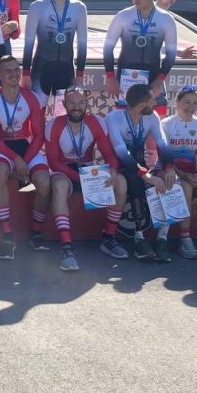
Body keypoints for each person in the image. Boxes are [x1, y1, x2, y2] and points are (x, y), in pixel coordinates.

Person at [45, 86, 129, 270]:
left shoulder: (97, 122)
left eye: (81, 102)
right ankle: (67, 246)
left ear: (87, 104)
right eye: (72, 103)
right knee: (58, 185)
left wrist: (113, 170)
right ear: (64, 104)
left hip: (88, 168)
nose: (77, 107)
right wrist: (78, 177)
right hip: (65, 170)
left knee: (121, 182)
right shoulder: (53, 124)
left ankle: (109, 238)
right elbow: (53, 162)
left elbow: (109, 155)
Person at [0, 55, 50, 260]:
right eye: (8, 71)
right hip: (2, 147)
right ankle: (7, 234)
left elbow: (39, 135)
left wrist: (26, 160)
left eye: (16, 70)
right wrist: (16, 159)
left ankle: (36, 232)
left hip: (25, 146)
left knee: (44, 182)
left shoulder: (31, 97)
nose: (14, 74)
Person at [105, 83, 178, 262]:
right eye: (152, 101)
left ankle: (162, 239)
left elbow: (163, 144)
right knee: (135, 181)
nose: (155, 104)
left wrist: (168, 168)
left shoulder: (151, 116)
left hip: (142, 164)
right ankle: (139, 238)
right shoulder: (113, 118)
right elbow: (121, 152)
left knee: (170, 180)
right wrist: (146, 176)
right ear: (141, 105)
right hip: (122, 166)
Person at [103, 0, 178, 114]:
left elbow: (171, 54)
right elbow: (108, 49)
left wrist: (160, 79)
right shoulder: (123, 16)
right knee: (126, 121)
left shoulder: (166, 19)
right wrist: (110, 77)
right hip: (126, 77)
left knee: (156, 121)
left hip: (153, 76)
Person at [22, 0, 89, 107]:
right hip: (41, 69)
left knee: (64, 118)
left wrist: (80, 76)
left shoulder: (79, 8)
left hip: (66, 70)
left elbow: (82, 44)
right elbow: (29, 42)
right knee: (36, 116)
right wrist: (25, 74)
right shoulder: (37, 6)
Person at [160, 85, 197, 260]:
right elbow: (164, 157)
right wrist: (182, 175)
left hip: (193, 171)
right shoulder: (166, 124)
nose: (190, 107)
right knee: (186, 188)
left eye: (195, 103)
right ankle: (186, 238)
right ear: (177, 102)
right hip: (171, 171)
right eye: (186, 102)